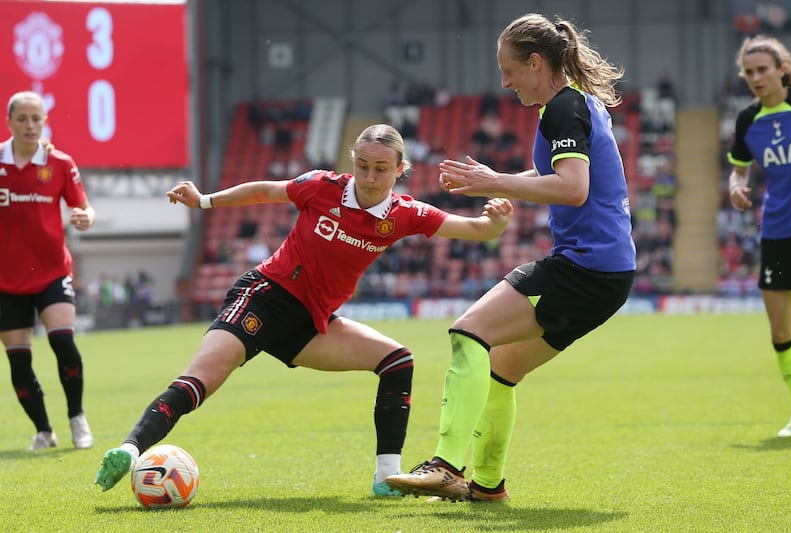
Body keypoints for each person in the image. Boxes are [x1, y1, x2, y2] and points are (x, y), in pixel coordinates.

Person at [94, 124, 513, 496]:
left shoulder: (405, 214)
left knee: (397, 360)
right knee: (201, 380)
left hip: (310, 323)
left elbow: (474, 229)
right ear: (352, 161)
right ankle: (131, 449)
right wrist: (204, 201)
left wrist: (495, 224)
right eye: (363, 165)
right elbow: (264, 191)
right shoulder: (323, 186)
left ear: (400, 169)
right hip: (264, 296)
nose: (370, 176)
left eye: (381, 169)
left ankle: (387, 477)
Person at [385, 13, 636, 502]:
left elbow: (573, 188)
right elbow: (558, 171)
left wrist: (494, 182)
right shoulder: (571, 105)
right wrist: (499, 177)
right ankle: (487, 487)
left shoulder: (564, 108)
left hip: (586, 267)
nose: (505, 82)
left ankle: (444, 466)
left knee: (468, 332)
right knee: (500, 370)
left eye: (509, 70)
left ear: (536, 62)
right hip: (607, 272)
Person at [0, 91, 95, 451]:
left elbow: (84, 206)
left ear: (44, 121)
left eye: (36, 118)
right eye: (22, 119)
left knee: (62, 341)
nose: (30, 125)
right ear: (9, 122)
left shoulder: (59, 163)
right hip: (6, 280)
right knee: (19, 361)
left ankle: (77, 417)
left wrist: (86, 217)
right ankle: (44, 430)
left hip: (52, 271)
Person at [726, 35, 791, 437]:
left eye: (763, 70)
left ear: (781, 70)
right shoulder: (747, 120)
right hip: (778, 232)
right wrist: (736, 185)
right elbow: (739, 168)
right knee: (780, 332)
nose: (755, 77)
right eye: (749, 72)